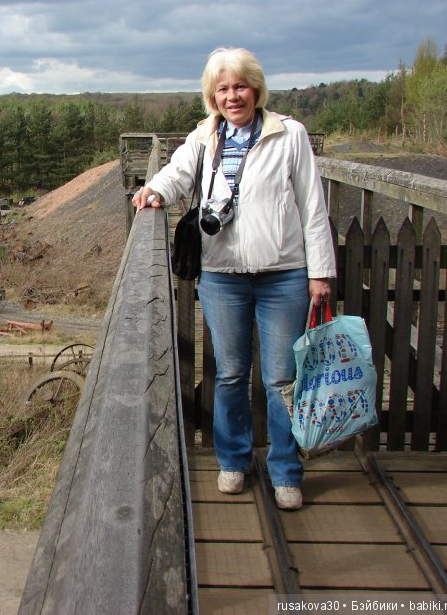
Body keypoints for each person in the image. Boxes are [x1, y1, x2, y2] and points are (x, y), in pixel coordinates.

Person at [132, 47, 336, 510]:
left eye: (240, 86)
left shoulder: (290, 135)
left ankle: (285, 470)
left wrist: (320, 271)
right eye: (222, 89)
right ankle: (233, 461)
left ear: (256, 89)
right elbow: (176, 174)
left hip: (283, 275)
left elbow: (313, 206)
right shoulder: (205, 136)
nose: (232, 96)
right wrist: (154, 191)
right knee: (229, 375)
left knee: (282, 377)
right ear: (212, 96)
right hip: (222, 276)